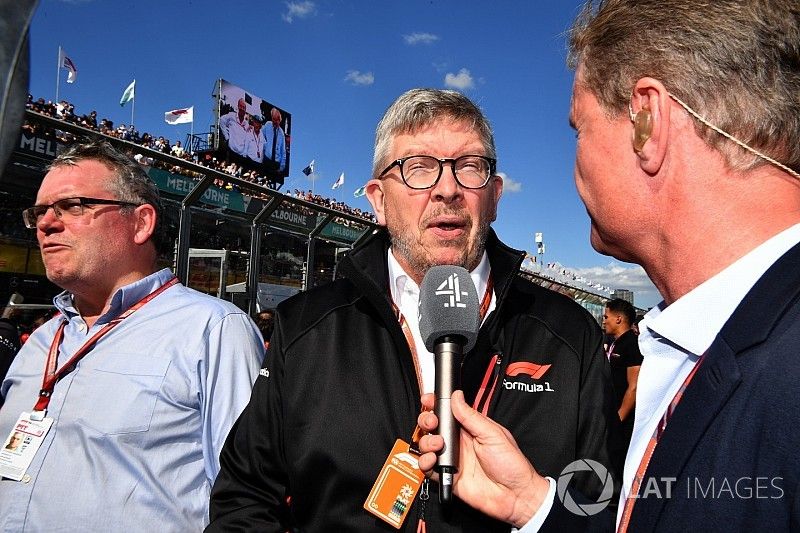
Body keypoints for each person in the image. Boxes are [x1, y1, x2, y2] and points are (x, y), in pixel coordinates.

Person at [417, 0, 800, 531]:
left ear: (647, 122)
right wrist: (536, 507)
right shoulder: (724, 338)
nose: (574, 164)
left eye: (579, 128)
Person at [206, 88, 614, 532]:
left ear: (495, 196)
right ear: (379, 200)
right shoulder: (305, 327)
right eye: (418, 167)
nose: (447, 189)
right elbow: (245, 498)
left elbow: (606, 507)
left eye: (469, 166)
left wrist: (537, 509)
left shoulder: (569, 335)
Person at [0, 140, 265, 531]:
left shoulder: (213, 331)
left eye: (73, 206)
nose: (46, 224)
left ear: (141, 223)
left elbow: (248, 501)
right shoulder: (42, 341)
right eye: (39, 212)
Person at [602, 298, 641, 475]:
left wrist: (618, 419)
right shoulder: (615, 342)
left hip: (623, 422)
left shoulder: (632, 344)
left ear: (618, 319)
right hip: (611, 415)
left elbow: (634, 386)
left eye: (606, 317)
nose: (604, 321)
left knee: (619, 467)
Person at [261, 107, 286, 173]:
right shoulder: (267, 125)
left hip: (276, 164)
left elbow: (283, 152)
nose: (275, 122)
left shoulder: (281, 133)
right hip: (266, 160)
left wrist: (281, 167)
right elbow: (260, 135)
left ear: (280, 120)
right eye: (273, 119)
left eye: (277, 120)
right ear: (272, 118)